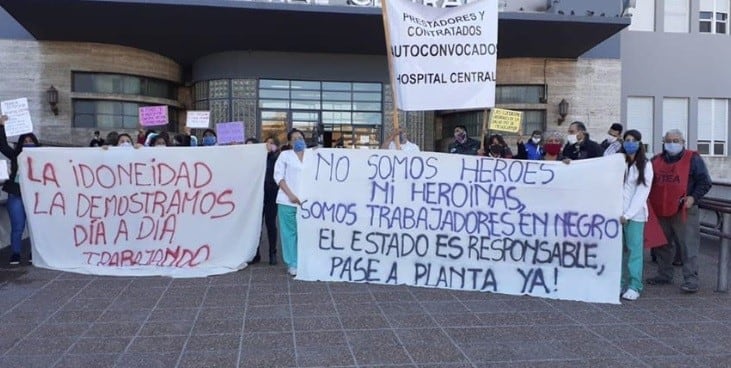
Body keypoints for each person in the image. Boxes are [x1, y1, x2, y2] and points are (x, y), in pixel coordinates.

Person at [646, 129, 712, 293]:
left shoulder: (693, 158)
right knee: (662, 244)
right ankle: (664, 274)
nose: (672, 143)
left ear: (683, 142)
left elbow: (705, 182)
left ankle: (691, 280)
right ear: (664, 142)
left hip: (684, 210)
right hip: (660, 208)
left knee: (688, 245)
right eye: (669, 140)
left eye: (676, 140)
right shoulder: (656, 160)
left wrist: (693, 198)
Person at [619, 129, 654, 301]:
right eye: (626, 140)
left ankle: (634, 285)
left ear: (639, 143)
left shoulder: (645, 165)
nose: (629, 143)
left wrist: (628, 214)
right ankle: (620, 282)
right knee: (619, 251)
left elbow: (642, 193)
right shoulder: (619, 162)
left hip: (635, 216)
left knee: (634, 251)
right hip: (617, 215)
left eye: (633, 140)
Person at [0, 115, 39, 265]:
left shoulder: (43, 157)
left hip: (35, 196)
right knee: (17, 226)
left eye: (31, 141)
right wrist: (1, 126)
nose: (28, 144)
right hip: (16, 194)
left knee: (34, 226)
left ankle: (32, 253)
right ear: (21, 144)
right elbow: (2, 145)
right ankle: (15, 253)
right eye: (25, 142)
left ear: (36, 144)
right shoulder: (16, 156)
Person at [273, 129, 311, 276]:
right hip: (287, 200)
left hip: (307, 202)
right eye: (294, 139)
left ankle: (305, 260)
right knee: (289, 233)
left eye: (300, 138)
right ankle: (292, 263)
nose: (298, 141)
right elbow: (279, 177)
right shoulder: (285, 155)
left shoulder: (312, 155)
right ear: (289, 142)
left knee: (305, 232)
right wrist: (290, 195)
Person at [256, 137, 280, 265]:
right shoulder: (259, 157)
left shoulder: (278, 158)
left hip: (271, 193)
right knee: (256, 225)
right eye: (267, 143)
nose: (269, 145)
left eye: (272, 143)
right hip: (258, 194)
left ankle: (273, 252)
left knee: (270, 224)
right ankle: (256, 252)